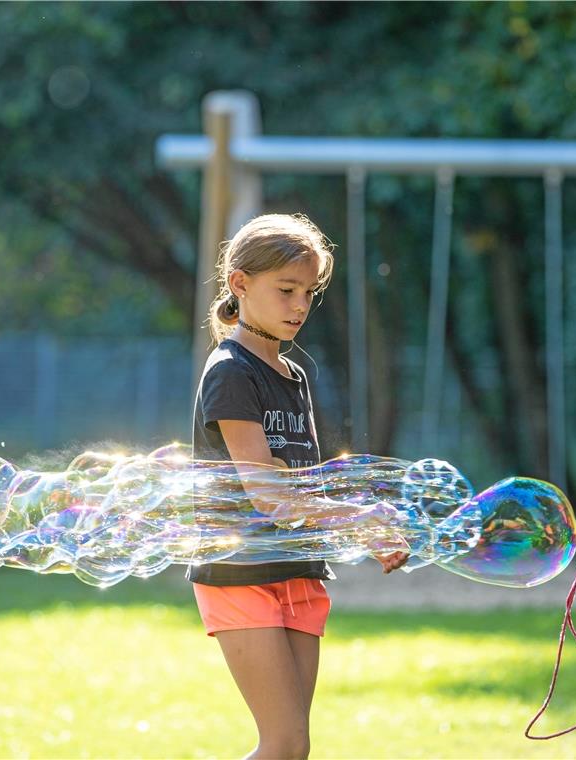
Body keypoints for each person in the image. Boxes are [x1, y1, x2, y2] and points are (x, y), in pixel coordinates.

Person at [190, 213, 407, 759]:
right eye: (286, 290)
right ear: (240, 284)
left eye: (308, 292)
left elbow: (303, 485)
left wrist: (365, 520)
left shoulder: (295, 375)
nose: (300, 306)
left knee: (294, 749)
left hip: (297, 570)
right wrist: (356, 520)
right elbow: (265, 492)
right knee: (283, 743)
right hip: (239, 572)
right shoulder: (230, 371)